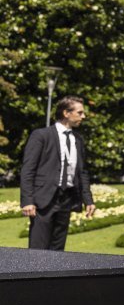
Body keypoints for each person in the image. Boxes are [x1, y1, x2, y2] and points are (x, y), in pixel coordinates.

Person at [20, 95, 96, 250]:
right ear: (66, 113)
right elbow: (28, 170)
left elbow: (82, 172)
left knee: (58, 250)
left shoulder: (78, 140)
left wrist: (88, 200)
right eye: (79, 112)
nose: (83, 116)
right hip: (44, 199)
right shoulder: (41, 135)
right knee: (38, 250)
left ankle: (55, 275)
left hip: (67, 199)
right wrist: (27, 200)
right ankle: (34, 274)